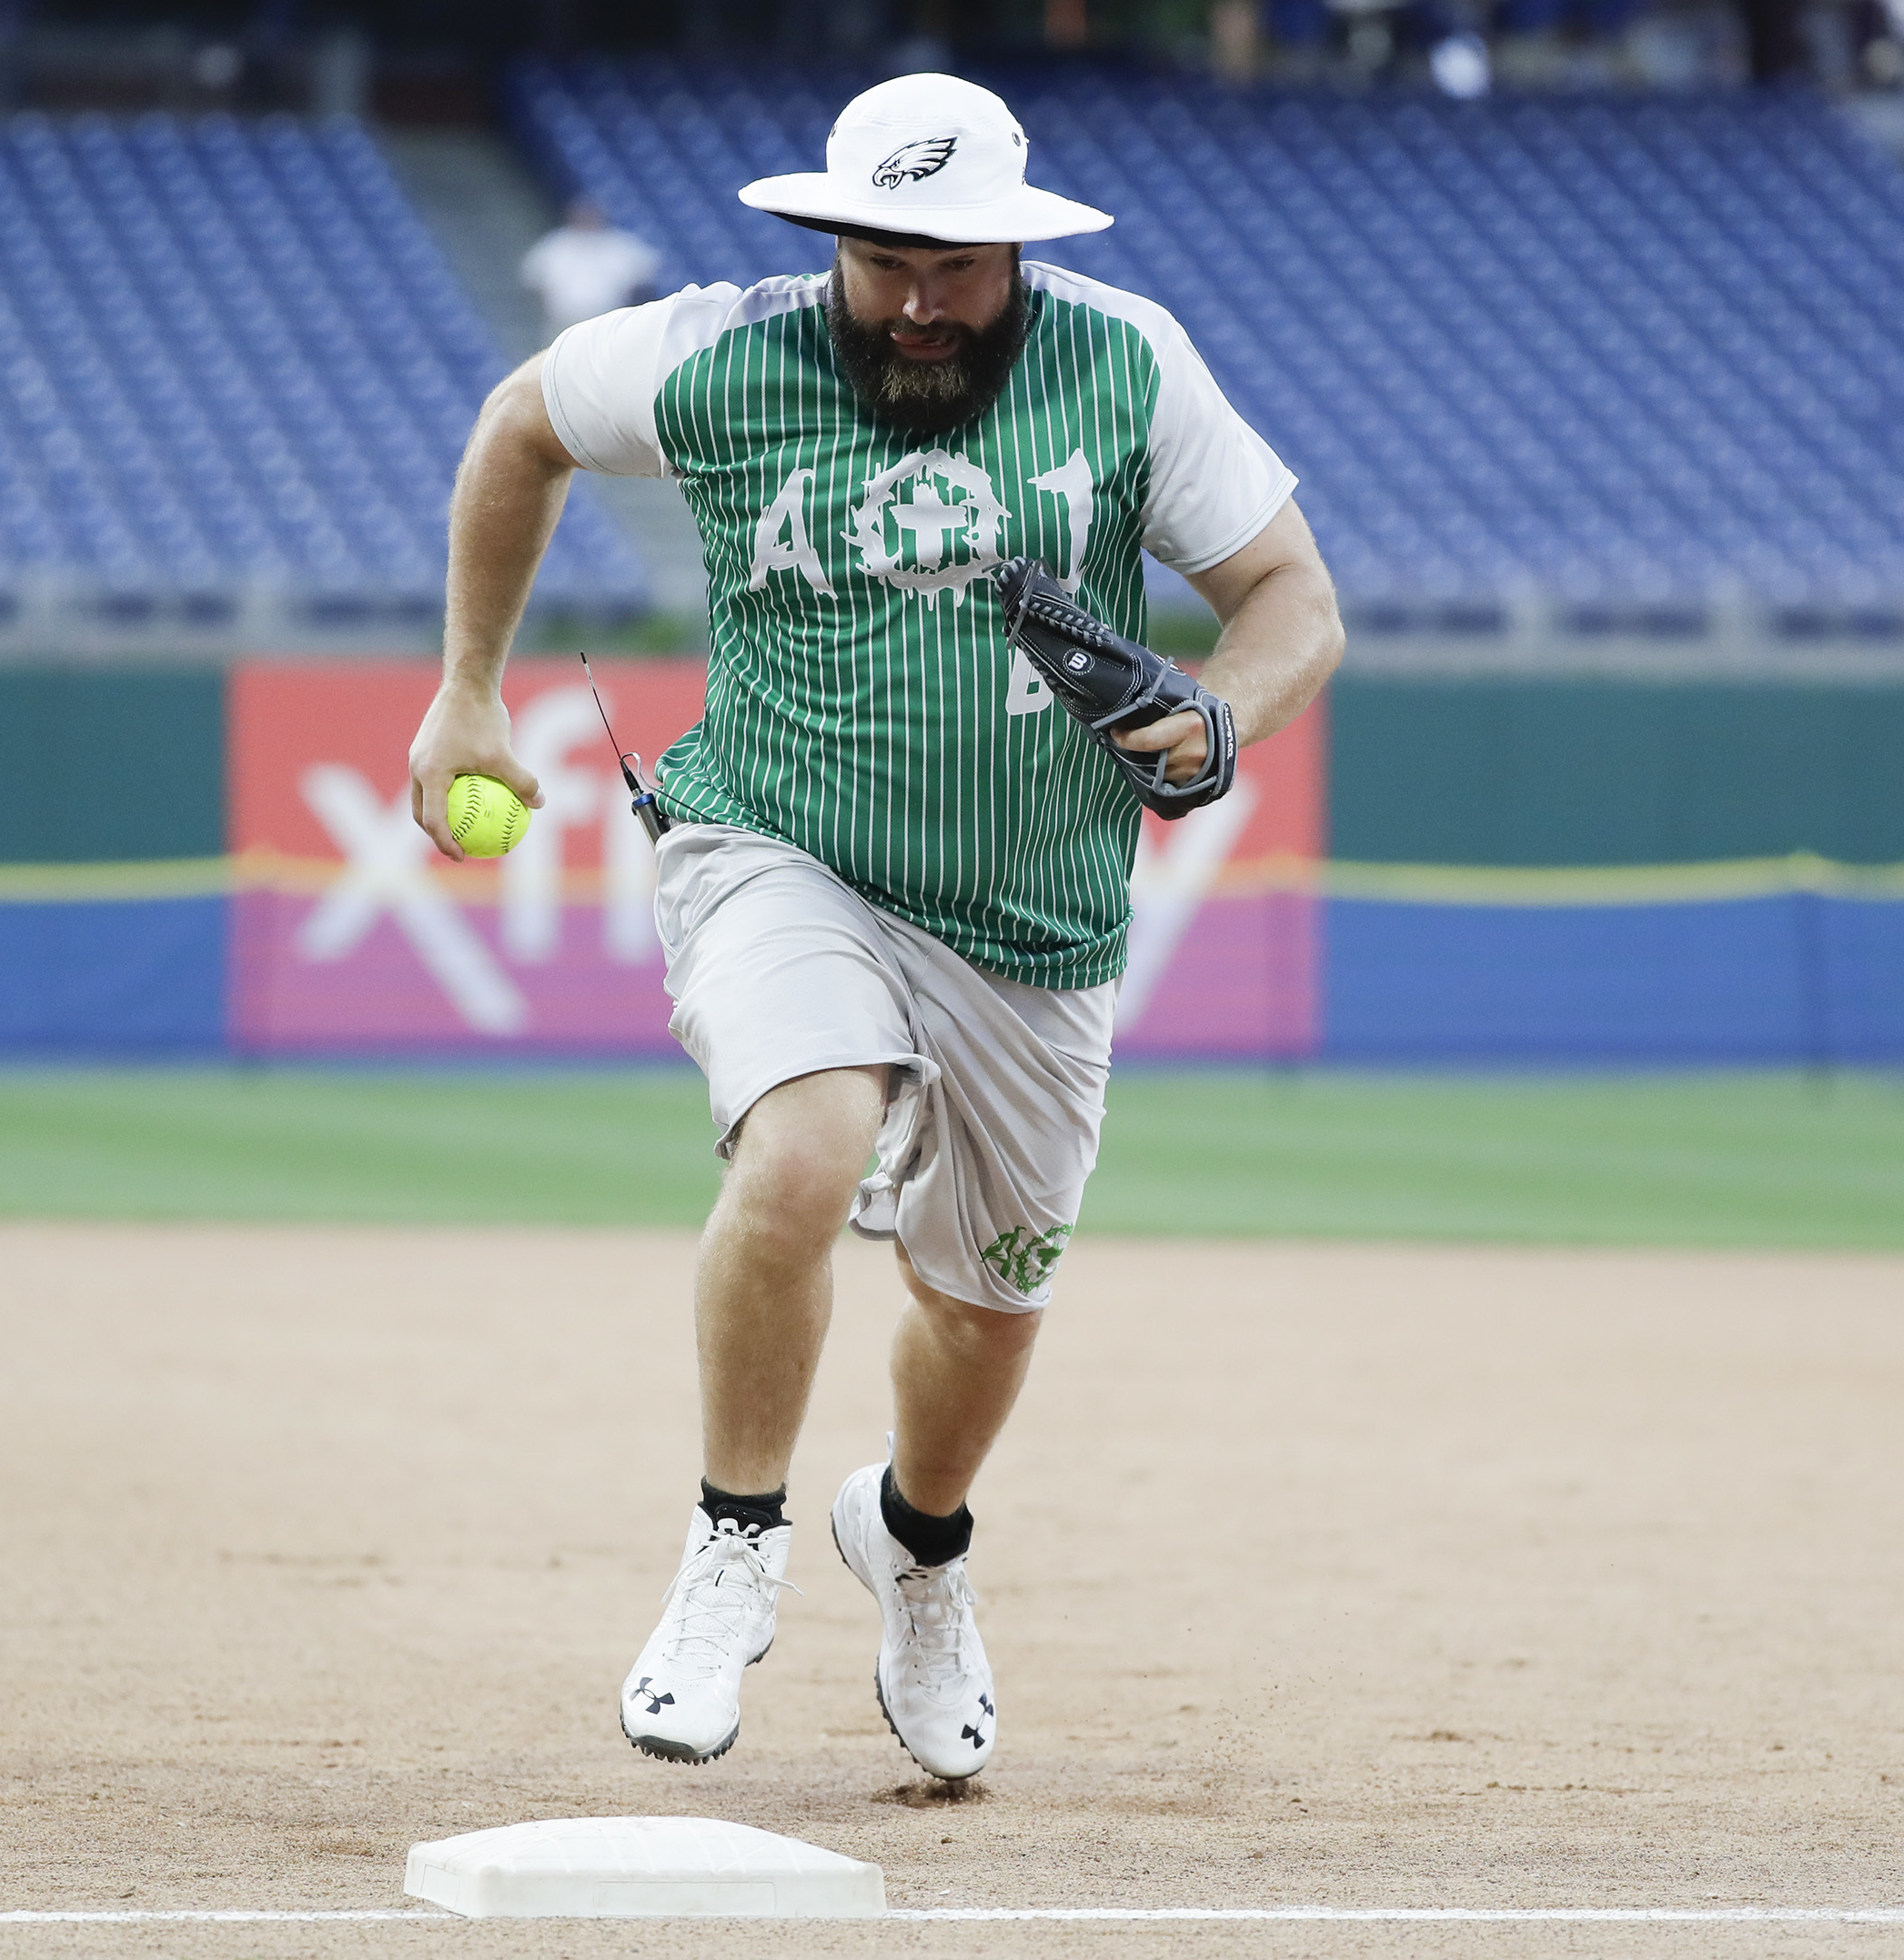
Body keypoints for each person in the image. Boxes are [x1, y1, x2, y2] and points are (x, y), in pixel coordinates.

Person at [408, 73, 1343, 1782]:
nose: (920, 300)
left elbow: (1294, 600)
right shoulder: (714, 354)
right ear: (829, 236)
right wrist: (467, 687)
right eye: (883, 259)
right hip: (779, 841)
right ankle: (730, 1544)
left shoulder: (1127, 362)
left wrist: (1217, 718)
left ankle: (914, 1545)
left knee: (987, 1316)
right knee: (802, 1147)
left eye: (959, 267)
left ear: (1017, 251)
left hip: (1036, 917)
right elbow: (520, 421)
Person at [519, 198, 661, 341]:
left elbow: (645, 276)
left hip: (606, 319)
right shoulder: (555, 245)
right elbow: (532, 280)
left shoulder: (620, 245)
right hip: (564, 320)